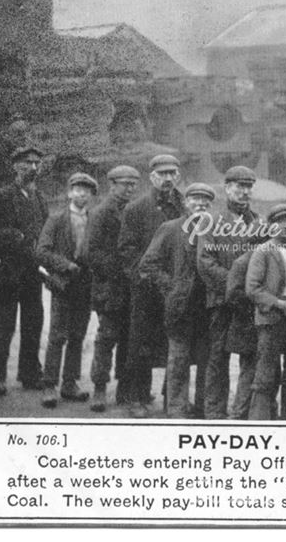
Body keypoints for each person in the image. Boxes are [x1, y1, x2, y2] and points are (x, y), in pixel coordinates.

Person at [138, 183, 215, 418]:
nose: (200, 204)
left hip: (207, 308)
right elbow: (148, 264)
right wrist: (171, 287)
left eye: (205, 201)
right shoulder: (170, 229)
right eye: (195, 200)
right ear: (185, 203)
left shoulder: (215, 230)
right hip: (180, 306)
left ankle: (203, 407)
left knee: (207, 361)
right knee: (178, 360)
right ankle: (176, 409)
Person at [118, 154, 185, 418]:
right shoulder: (136, 209)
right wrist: (144, 277)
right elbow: (126, 250)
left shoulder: (185, 206)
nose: (168, 178)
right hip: (146, 290)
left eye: (172, 173)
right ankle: (137, 397)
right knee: (140, 344)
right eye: (163, 174)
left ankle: (173, 398)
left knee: (176, 344)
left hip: (175, 288)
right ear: (152, 177)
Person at [197, 165, 261, 420]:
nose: (244, 192)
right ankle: (214, 411)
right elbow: (205, 263)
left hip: (247, 302)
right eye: (239, 187)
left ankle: (242, 410)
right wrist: (233, 286)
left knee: (250, 355)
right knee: (217, 358)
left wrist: (248, 291)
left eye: (248, 187)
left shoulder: (257, 222)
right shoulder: (210, 221)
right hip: (221, 301)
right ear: (227, 188)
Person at [0, 146, 49, 395]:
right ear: (15, 166)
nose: (33, 168)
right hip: (6, 274)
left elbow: (45, 234)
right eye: (27, 163)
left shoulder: (39, 199)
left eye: (37, 163)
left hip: (32, 273)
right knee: (3, 326)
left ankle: (30, 374)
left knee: (33, 324)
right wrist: (14, 237)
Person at [37, 172, 99, 408]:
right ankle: (49, 385)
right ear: (69, 192)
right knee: (57, 336)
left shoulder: (95, 219)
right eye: (77, 189)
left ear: (92, 195)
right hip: (63, 285)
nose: (81, 193)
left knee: (77, 336)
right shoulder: (56, 219)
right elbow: (42, 251)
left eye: (86, 190)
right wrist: (65, 265)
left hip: (85, 286)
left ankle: (70, 384)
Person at [85, 164, 140, 411]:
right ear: (112, 185)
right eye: (124, 184)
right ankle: (99, 388)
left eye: (133, 184)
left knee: (129, 341)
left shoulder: (135, 212)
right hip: (109, 288)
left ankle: (124, 389)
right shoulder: (100, 213)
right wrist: (118, 270)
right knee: (106, 339)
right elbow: (91, 253)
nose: (129, 189)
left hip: (131, 289)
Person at [246, 204, 286, 420]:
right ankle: (259, 421)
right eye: (281, 222)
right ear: (272, 226)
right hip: (271, 320)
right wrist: (278, 303)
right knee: (265, 375)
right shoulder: (263, 251)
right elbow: (253, 289)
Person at [224, 250, 257, 420]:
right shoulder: (242, 262)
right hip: (246, 325)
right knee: (249, 370)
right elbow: (232, 295)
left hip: (254, 323)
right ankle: (239, 412)